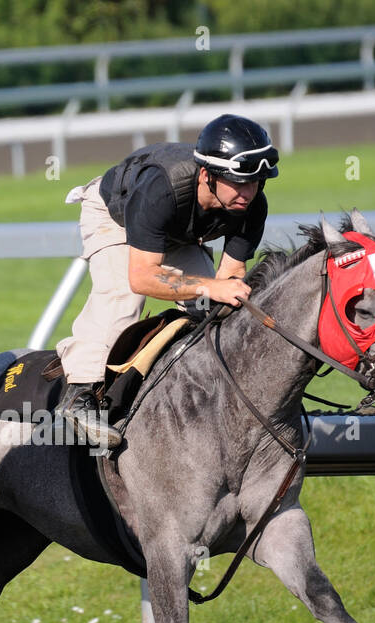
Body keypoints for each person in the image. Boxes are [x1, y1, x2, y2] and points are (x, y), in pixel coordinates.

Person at [53, 113, 279, 449]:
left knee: (213, 310)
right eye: (239, 182)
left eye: (256, 182)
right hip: (115, 216)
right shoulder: (161, 188)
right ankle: (79, 396)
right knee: (121, 300)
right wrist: (208, 285)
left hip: (176, 232)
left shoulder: (252, 206)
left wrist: (218, 292)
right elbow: (142, 277)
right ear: (207, 175)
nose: (248, 192)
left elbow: (229, 278)